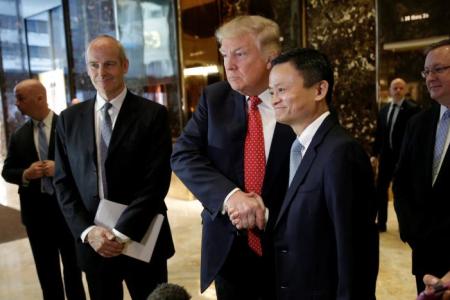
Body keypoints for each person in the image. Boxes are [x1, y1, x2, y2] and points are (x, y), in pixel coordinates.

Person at [171, 15, 296, 300]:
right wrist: (230, 196)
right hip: (229, 248)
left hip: (288, 247)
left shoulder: (297, 99)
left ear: (270, 58)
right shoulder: (214, 98)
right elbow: (183, 154)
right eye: (225, 54)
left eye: (239, 54)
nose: (229, 64)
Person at [53, 35, 175, 300]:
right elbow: (63, 183)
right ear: (86, 69)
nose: (101, 72)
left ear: (124, 66)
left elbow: (156, 182)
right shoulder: (68, 120)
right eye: (94, 65)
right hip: (94, 244)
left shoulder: (152, 114)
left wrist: (120, 234)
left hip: (142, 238)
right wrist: (89, 232)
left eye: (109, 64)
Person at [265, 48, 378, 299]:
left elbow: (355, 251)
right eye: (272, 92)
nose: (274, 100)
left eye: (282, 90)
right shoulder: (298, 147)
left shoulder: (340, 152)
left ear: (319, 90)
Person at [2, 79, 86, 300]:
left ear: (39, 98)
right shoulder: (19, 135)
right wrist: (25, 174)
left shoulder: (68, 126)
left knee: (73, 273)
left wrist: (59, 169)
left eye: (20, 98)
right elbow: (7, 171)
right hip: (36, 217)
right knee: (47, 276)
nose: (16, 104)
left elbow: (86, 165)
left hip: (67, 213)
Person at [394, 38, 450, 294]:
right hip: (425, 253)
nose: (430, 77)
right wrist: (411, 232)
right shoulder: (418, 123)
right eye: (426, 71)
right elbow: (402, 181)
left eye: (438, 69)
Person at [372, 78, 420, 232]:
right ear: (390, 91)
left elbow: (416, 136)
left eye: (401, 88)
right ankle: (381, 222)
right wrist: (374, 154)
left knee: (402, 191)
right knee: (381, 190)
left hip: (404, 158)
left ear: (405, 90)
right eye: (395, 88)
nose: (398, 90)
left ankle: (406, 224)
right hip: (386, 157)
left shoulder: (413, 109)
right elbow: (379, 134)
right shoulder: (384, 110)